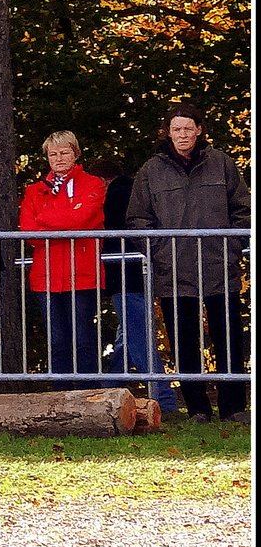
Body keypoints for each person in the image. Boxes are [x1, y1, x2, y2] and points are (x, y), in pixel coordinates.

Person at [127, 101, 251, 424]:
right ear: (168, 133)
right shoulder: (151, 171)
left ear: (199, 130)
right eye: (176, 129)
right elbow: (138, 219)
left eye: (187, 128)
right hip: (175, 272)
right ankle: (197, 408)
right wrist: (159, 253)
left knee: (229, 339)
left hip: (218, 267)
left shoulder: (221, 164)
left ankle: (234, 407)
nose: (182, 134)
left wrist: (232, 245)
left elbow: (243, 209)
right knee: (183, 343)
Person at [17, 131, 104, 390]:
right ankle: (60, 397)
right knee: (56, 340)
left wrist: (46, 218)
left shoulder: (93, 183)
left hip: (83, 272)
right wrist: (65, 216)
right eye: (53, 154)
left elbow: (80, 220)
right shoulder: (34, 190)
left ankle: (90, 396)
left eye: (64, 152)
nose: (59, 158)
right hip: (46, 276)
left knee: (84, 338)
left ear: (76, 154)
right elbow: (28, 232)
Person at [93, 158, 178, 414]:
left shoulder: (118, 195)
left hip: (126, 273)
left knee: (137, 334)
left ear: (103, 182)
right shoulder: (134, 190)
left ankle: (163, 397)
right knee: (127, 334)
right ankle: (110, 386)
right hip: (135, 271)